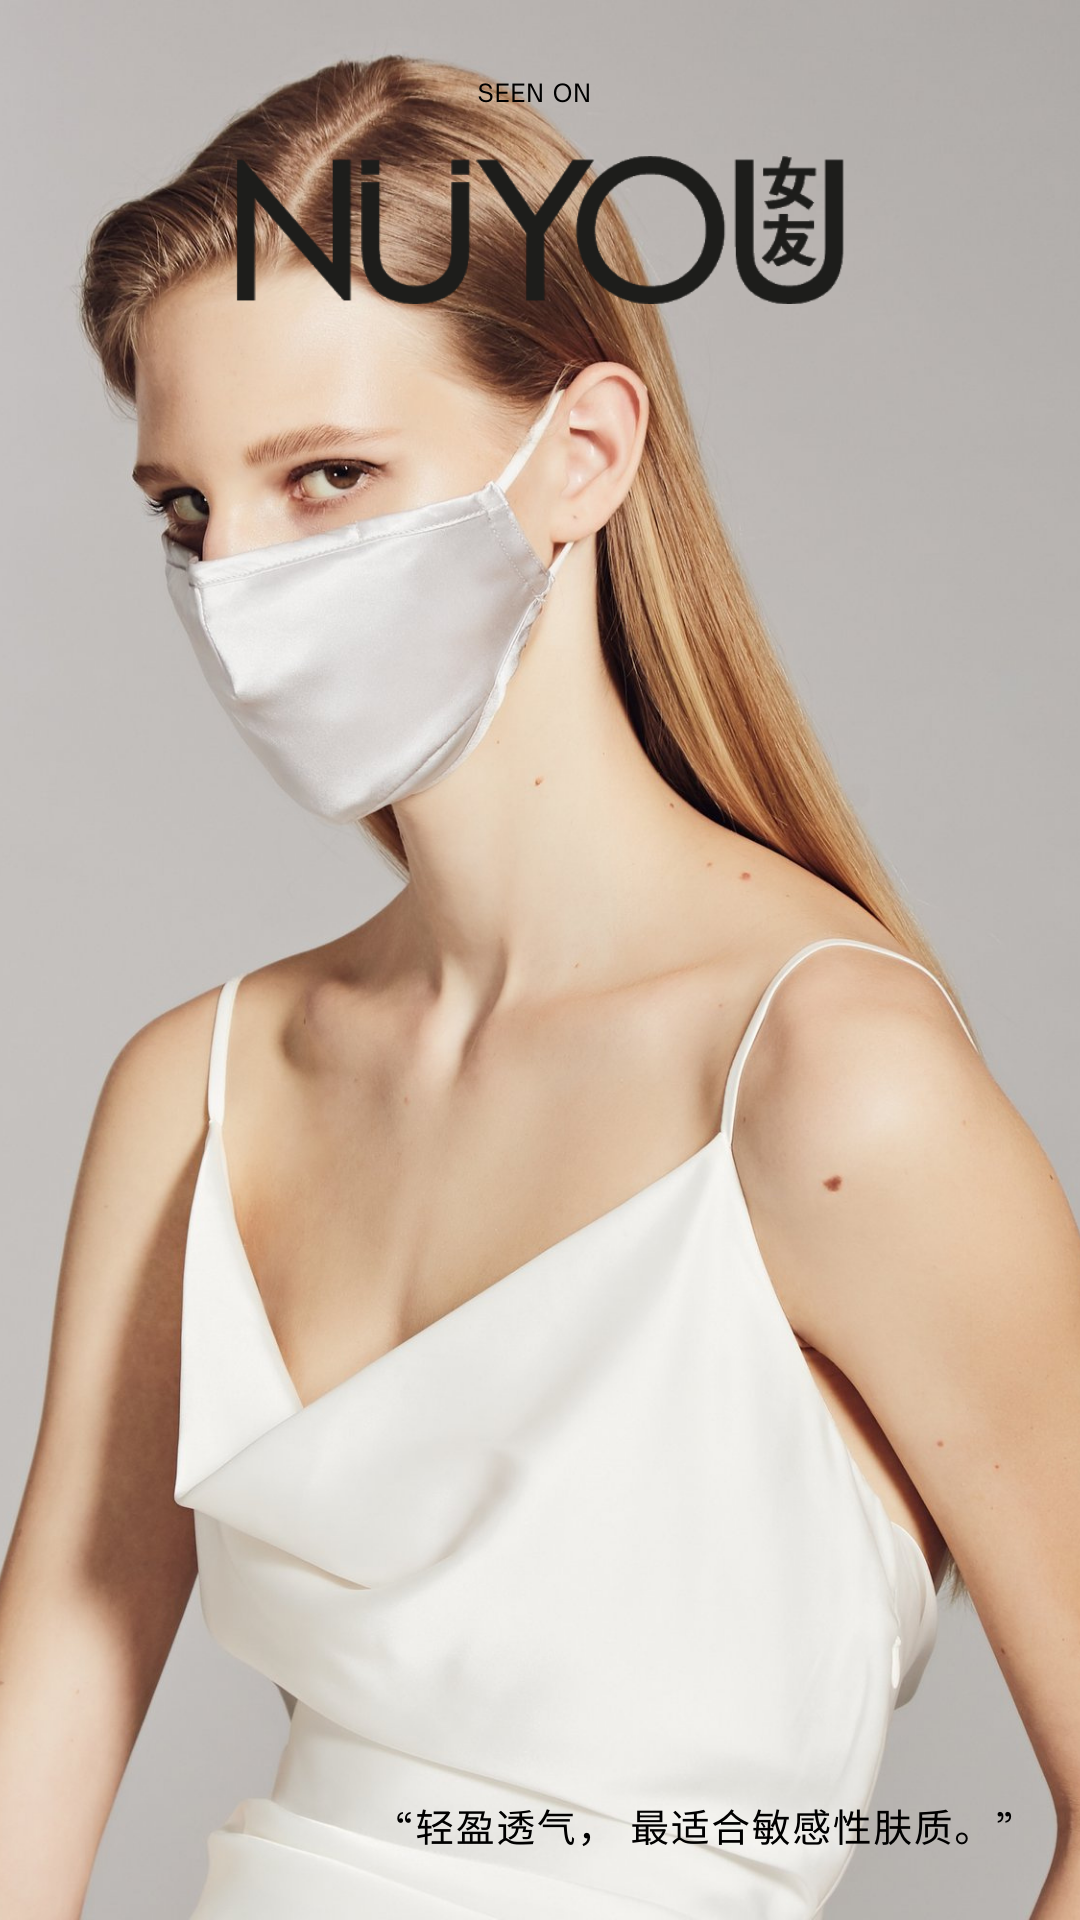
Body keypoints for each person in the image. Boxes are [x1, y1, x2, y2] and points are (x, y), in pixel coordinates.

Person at [1, 53, 1078, 1920]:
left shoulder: (832, 1084)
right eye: (186, 511)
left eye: (327, 477)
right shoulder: (198, 1087)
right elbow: (39, 1736)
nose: (236, 581)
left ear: (582, 453)